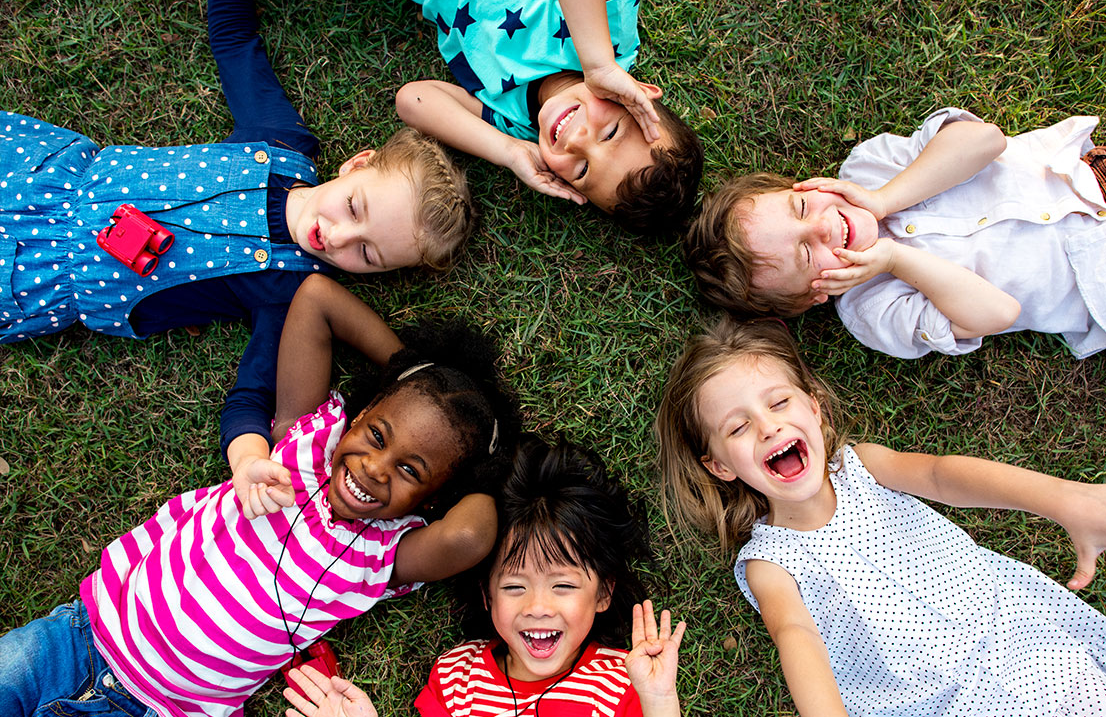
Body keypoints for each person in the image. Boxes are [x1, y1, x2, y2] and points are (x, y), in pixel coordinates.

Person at [0, 273, 520, 717]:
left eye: (410, 470)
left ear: (431, 500)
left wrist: (494, 466)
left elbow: (472, 533)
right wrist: (410, 371)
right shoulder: (303, 445)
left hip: (167, 709)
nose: (375, 468)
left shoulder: (382, 557)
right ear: (358, 417)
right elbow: (316, 298)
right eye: (378, 435)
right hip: (79, 637)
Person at [0, 0, 474, 470]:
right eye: (354, 207)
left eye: (367, 254)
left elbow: (251, 394)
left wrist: (249, 460)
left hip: (39, 276)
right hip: (39, 176)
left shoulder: (288, 294)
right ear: (357, 164)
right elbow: (234, 42)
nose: (338, 236)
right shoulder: (279, 139)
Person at [654, 317, 1106, 716]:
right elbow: (796, 637)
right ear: (720, 466)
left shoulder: (862, 467)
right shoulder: (769, 563)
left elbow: (941, 474)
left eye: (778, 403)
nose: (768, 426)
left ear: (814, 407)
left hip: (1021, 640)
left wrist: (1064, 500)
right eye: (737, 427)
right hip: (936, 704)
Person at [284, 435, 686, 717]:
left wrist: (660, 700)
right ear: (487, 594)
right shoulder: (458, 677)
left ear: (604, 594)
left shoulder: (624, 680)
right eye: (514, 586)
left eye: (563, 585)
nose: (538, 607)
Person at [683, 107, 1106, 358]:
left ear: (805, 184)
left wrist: (886, 199)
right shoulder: (873, 311)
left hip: (1088, 175)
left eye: (802, 207)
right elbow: (999, 314)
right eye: (808, 254)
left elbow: (985, 140)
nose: (824, 225)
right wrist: (895, 259)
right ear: (817, 294)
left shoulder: (870, 167)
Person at [395, 0, 703, 235]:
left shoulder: (515, 124)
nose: (577, 142)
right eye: (610, 133)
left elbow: (413, 100)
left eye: (582, 170)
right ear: (639, 94)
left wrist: (509, 151)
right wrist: (598, 64)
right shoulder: (611, 42)